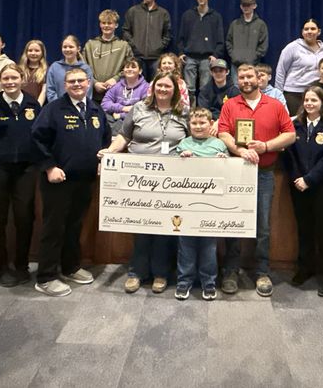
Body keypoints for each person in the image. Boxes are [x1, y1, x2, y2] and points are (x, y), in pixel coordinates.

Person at [99, 72, 190, 294]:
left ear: (175, 90)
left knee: (165, 228)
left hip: (172, 180)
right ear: (152, 88)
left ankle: (160, 273)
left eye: (168, 86)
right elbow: (124, 137)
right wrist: (109, 153)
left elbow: (194, 138)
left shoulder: (184, 112)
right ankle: (136, 272)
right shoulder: (139, 109)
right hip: (140, 179)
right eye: (159, 85)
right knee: (141, 226)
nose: (163, 90)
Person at [31, 68, 111, 297]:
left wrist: (100, 162)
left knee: (74, 226)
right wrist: (49, 167)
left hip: (85, 180)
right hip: (58, 179)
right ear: (65, 85)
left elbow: (104, 139)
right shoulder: (53, 109)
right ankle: (45, 277)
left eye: (80, 81)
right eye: (71, 81)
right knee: (54, 228)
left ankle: (70, 267)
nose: (77, 84)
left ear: (88, 83)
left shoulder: (96, 110)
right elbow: (37, 139)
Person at [218, 64, 296, 297]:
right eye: (241, 77)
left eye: (249, 76)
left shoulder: (275, 105)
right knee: (233, 223)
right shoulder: (230, 105)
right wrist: (239, 151)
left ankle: (262, 271)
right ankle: (231, 270)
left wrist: (266, 146)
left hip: (264, 172)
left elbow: (290, 134)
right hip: (236, 172)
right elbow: (223, 133)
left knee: (262, 225)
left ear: (259, 78)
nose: (245, 80)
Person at [0, 63, 42, 287]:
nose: (10, 82)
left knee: (25, 217)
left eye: (14, 78)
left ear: (22, 80)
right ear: (1, 81)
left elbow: (41, 136)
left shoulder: (33, 105)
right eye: (6, 78)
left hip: (26, 169)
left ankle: (21, 265)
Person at [282, 86, 323, 296]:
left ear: (322, 103)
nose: (309, 104)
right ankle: (305, 268)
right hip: (298, 186)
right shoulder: (294, 126)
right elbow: (288, 155)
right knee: (304, 229)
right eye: (306, 100)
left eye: (314, 100)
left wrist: (310, 179)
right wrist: (298, 178)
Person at [174, 107, 229, 301]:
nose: (198, 126)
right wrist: (181, 159)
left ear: (211, 124)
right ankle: (184, 281)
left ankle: (209, 282)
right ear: (189, 125)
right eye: (194, 123)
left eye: (202, 123)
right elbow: (173, 172)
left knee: (209, 244)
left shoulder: (219, 144)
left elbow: (230, 172)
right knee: (186, 243)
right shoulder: (183, 143)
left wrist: (225, 161)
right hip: (187, 203)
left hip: (211, 204)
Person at [275, 19, 323, 114]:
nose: (309, 31)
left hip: (316, 93)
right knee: (296, 125)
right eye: (306, 29)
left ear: (319, 31)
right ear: (302, 32)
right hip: (294, 94)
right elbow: (281, 71)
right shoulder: (292, 47)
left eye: (313, 29)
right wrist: (278, 95)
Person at [178, 0, 224, 100]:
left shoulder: (216, 16)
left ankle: (204, 113)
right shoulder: (188, 15)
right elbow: (181, 37)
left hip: (207, 58)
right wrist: (180, 52)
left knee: (205, 88)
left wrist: (215, 55)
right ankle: (189, 113)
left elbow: (220, 39)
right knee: (189, 89)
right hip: (189, 57)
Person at [123, 0, 171, 80]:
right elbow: (126, 31)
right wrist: (134, 45)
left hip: (156, 58)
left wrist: (159, 47)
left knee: (155, 85)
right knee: (138, 86)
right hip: (137, 57)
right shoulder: (133, 11)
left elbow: (168, 34)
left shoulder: (163, 13)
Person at [83, 9, 134, 102]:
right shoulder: (90, 45)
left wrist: (115, 79)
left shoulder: (124, 46)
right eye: (103, 23)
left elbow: (131, 68)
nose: (106, 25)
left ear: (116, 25)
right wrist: (94, 83)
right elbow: (82, 67)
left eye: (110, 23)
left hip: (116, 95)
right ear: (100, 24)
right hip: (92, 94)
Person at [226, 0, 269, 85]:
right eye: (244, 5)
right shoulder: (235, 24)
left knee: (252, 88)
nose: (246, 8)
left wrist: (254, 58)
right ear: (241, 7)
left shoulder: (260, 24)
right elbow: (228, 41)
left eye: (249, 5)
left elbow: (263, 45)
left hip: (253, 65)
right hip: (236, 65)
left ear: (254, 6)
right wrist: (234, 56)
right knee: (236, 90)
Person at [101, 58, 150, 135]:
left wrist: (121, 115)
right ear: (123, 70)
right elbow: (104, 104)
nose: (130, 69)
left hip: (134, 122)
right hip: (114, 120)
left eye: (133, 67)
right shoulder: (116, 86)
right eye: (127, 67)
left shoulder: (146, 88)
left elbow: (144, 109)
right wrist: (123, 108)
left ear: (140, 71)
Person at [46, 35, 95, 103]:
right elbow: (50, 91)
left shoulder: (86, 68)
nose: (67, 49)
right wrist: (58, 107)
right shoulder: (54, 67)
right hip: (58, 109)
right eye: (65, 47)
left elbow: (88, 92)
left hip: (79, 109)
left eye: (71, 47)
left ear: (78, 49)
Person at [197, 58, 240, 125]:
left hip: (228, 122)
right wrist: (214, 122)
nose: (218, 73)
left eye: (221, 71)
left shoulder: (235, 91)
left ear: (227, 72)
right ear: (211, 73)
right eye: (215, 71)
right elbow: (203, 111)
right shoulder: (204, 91)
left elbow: (235, 112)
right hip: (210, 123)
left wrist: (219, 122)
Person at [18, 39, 48, 104]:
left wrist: (37, 107)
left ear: (42, 53)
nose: (33, 53)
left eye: (37, 51)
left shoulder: (47, 71)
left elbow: (44, 91)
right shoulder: (19, 70)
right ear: (26, 52)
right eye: (30, 50)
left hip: (37, 107)